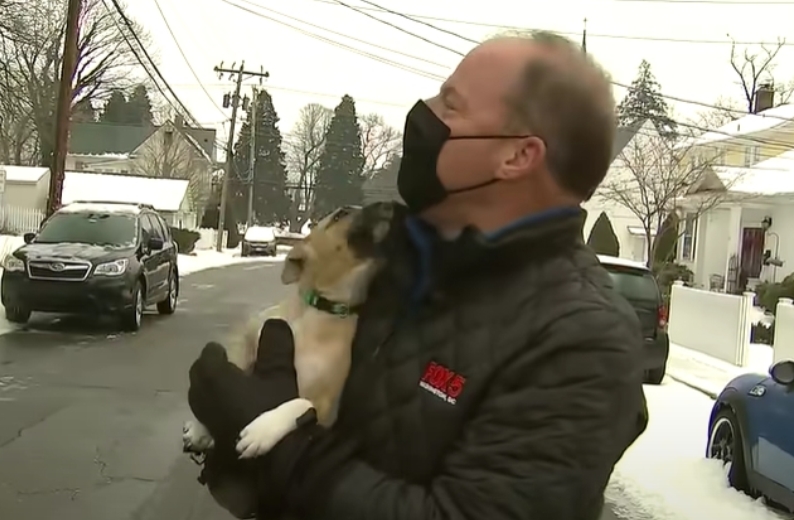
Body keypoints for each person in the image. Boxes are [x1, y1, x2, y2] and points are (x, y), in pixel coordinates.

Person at [188, 29, 649, 520]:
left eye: (450, 104)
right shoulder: (385, 257)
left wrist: (283, 450)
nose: (423, 112)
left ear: (517, 156)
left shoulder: (583, 340)